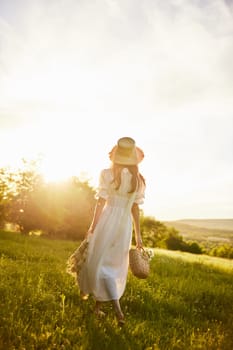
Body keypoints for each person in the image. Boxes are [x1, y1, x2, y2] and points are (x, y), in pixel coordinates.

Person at [76, 137, 146, 325]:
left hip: (107, 221)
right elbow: (135, 209)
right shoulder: (139, 180)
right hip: (124, 226)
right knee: (113, 265)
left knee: (98, 260)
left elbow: (101, 202)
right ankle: (98, 308)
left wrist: (92, 227)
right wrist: (138, 235)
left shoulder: (107, 174)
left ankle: (117, 310)